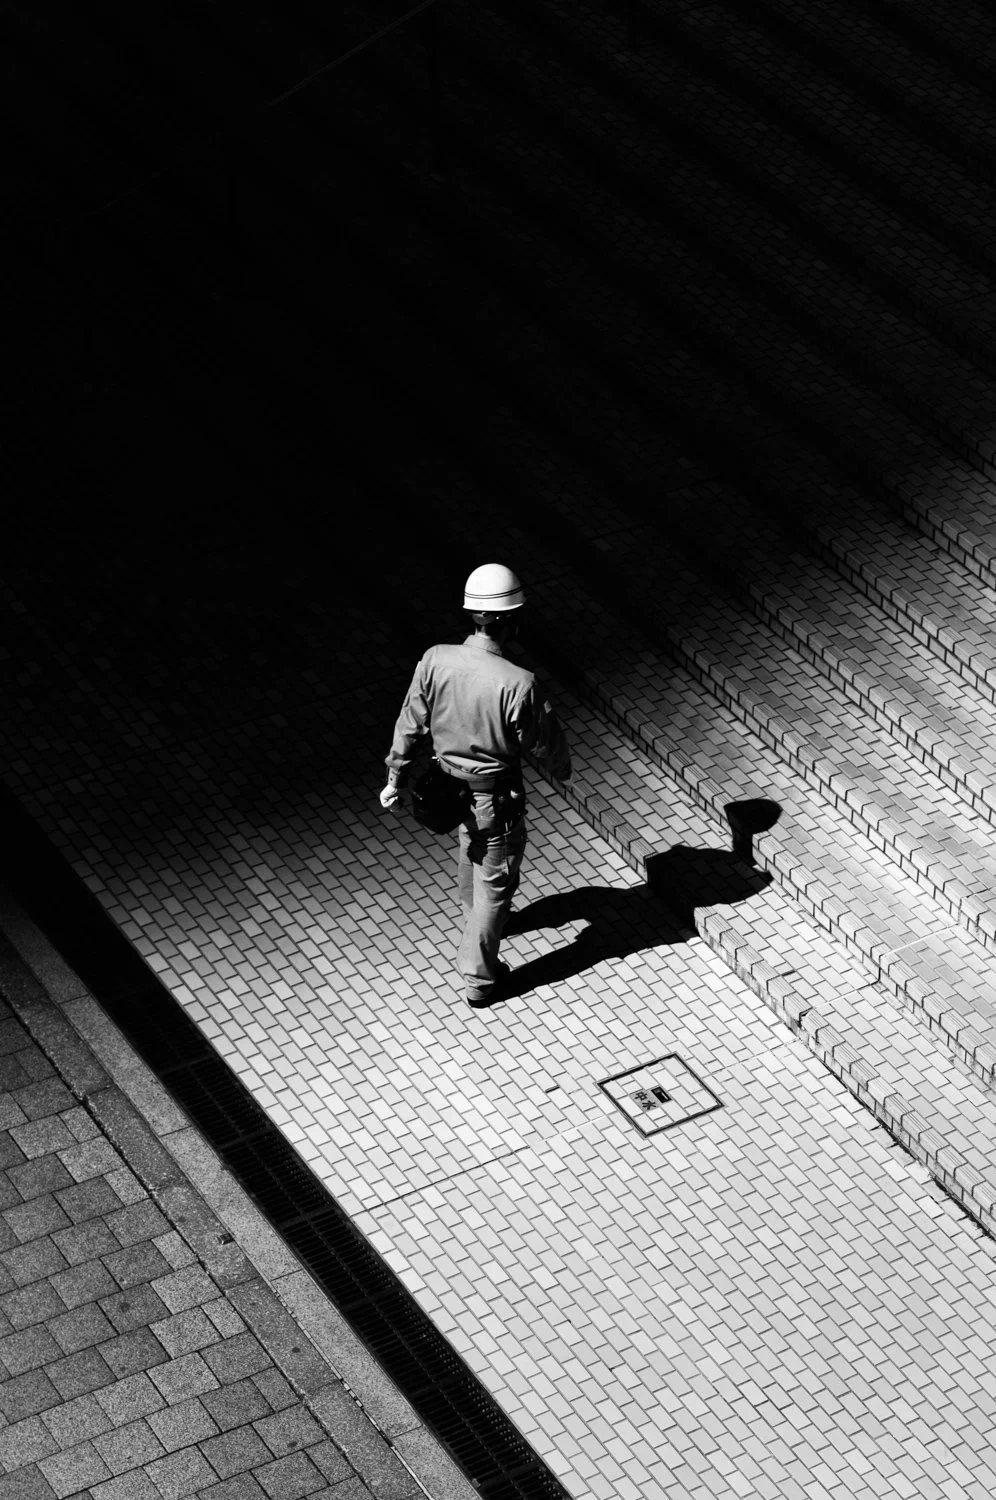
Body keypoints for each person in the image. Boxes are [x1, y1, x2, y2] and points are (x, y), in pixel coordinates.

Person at [380, 564, 572, 1006]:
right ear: (511, 620)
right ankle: (479, 979)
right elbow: (544, 745)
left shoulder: (435, 659)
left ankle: (474, 926)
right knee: (496, 884)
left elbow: (409, 724)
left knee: (469, 854)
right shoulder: (519, 684)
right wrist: (561, 771)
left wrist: (394, 777)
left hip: (447, 788)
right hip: (494, 796)